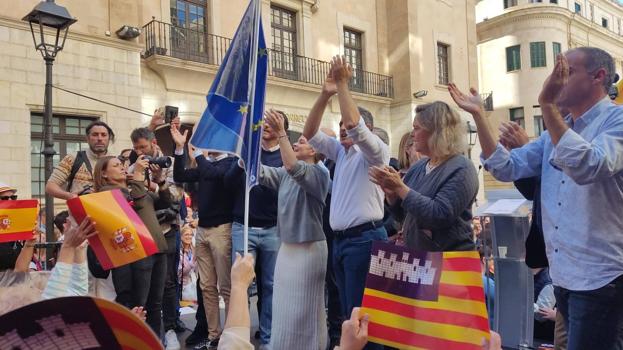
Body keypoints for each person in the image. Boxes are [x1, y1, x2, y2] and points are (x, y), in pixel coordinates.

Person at [448, 47, 623, 349]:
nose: (555, 80)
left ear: (599, 77)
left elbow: (589, 165)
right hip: (565, 277)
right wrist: (479, 116)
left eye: (565, 72)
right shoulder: (552, 133)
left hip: (600, 278)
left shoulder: (616, 120)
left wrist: (547, 105)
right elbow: (506, 166)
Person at [303, 56, 389, 349]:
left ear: (369, 129)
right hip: (342, 243)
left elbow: (354, 124)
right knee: (349, 311)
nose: (342, 128)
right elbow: (310, 132)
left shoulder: (375, 151)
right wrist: (325, 93)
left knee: (359, 316)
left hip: (363, 241)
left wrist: (342, 84)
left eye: (346, 125)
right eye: (337, 124)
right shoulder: (341, 154)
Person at [259, 110, 330, 349]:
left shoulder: (319, 174)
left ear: (316, 151)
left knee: (304, 311)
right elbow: (263, 174)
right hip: (287, 249)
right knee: (284, 308)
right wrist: (243, 152)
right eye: (297, 139)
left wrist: (281, 134)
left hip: (309, 251)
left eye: (305, 140)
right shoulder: (288, 171)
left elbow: (292, 167)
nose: (299, 141)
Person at [369, 101, 478, 252]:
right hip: (421, 260)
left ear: (435, 131)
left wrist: (400, 187)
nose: (412, 134)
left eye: (416, 128)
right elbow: (403, 216)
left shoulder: (462, 168)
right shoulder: (420, 167)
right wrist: (392, 195)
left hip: (451, 264)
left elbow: (440, 214)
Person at [225, 112, 289, 348]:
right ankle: (237, 338)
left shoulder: (286, 155)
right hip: (244, 227)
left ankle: (267, 338)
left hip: (274, 229)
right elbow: (228, 183)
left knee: (271, 286)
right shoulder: (247, 151)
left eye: (272, 123)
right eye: (264, 123)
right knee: (240, 283)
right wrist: (241, 163)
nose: (266, 127)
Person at [171, 123, 236, 349]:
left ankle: (232, 334)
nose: (209, 142)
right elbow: (180, 175)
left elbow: (211, 173)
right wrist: (180, 150)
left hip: (222, 230)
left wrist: (198, 154)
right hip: (203, 230)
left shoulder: (231, 162)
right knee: (207, 286)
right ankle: (214, 335)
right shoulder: (207, 164)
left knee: (226, 287)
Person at [93, 155, 171, 339]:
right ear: (103, 174)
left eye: (122, 164)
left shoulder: (133, 188)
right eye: (116, 165)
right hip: (138, 254)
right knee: (139, 305)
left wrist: (160, 180)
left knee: (156, 304)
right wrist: (137, 175)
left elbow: (165, 202)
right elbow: (138, 202)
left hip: (158, 249)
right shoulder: (107, 194)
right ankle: (136, 342)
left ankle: (155, 343)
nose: (122, 167)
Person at [130, 126, 184, 349]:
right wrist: (137, 176)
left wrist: (155, 181)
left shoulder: (169, 163)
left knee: (168, 282)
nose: (140, 152)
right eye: (136, 148)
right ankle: (148, 332)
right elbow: (133, 197)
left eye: (143, 147)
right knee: (145, 286)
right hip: (142, 232)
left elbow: (176, 197)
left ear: (153, 143)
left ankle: (169, 327)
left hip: (167, 230)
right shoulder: (134, 167)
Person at [46, 121, 115, 199]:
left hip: (109, 209)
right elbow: (50, 186)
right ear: (87, 138)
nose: (99, 138)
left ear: (109, 138)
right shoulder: (73, 158)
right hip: (80, 209)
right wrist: (70, 196)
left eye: (104, 135)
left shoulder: (117, 162)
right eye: (95, 135)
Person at [178, 225, 197, 302]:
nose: (189, 237)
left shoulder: (194, 251)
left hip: (193, 285)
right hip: (183, 288)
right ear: (181, 236)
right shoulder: (178, 252)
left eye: (191, 235)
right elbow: (180, 272)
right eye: (186, 234)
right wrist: (192, 263)